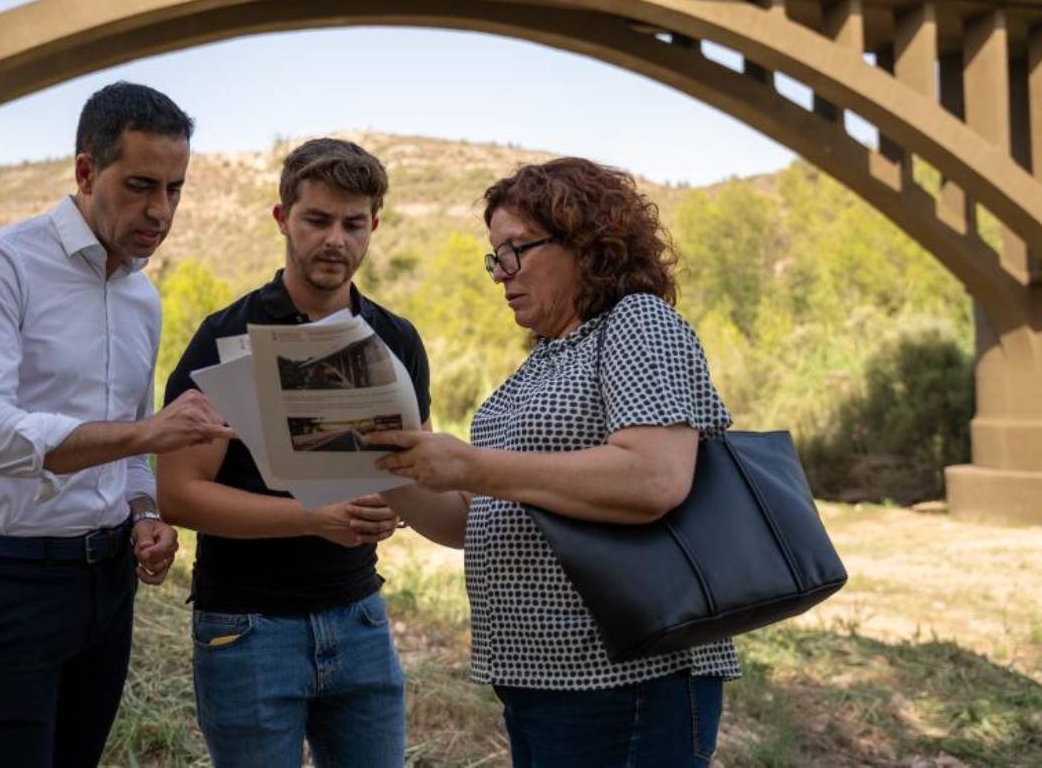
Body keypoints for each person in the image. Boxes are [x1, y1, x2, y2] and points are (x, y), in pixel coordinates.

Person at [367, 157, 739, 767]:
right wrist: (383, 469)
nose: (501, 274)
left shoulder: (638, 323)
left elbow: (655, 478)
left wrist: (472, 465)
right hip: (541, 678)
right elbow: (471, 519)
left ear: (586, 244)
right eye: (495, 256)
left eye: (515, 250)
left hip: (628, 678)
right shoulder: (544, 359)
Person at [0, 81, 234, 768]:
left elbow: (126, 449)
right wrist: (146, 436)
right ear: (86, 171)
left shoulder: (142, 296)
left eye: (175, 189)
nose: (161, 210)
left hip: (105, 583)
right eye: (141, 185)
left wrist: (145, 509)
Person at [157, 138, 429, 768]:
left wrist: (396, 510)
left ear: (373, 228)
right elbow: (178, 493)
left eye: (353, 224)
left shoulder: (397, 339)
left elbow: (406, 476)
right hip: (248, 628)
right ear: (283, 219)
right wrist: (313, 518)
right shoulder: (224, 335)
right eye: (317, 220)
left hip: (361, 617)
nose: (336, 239)